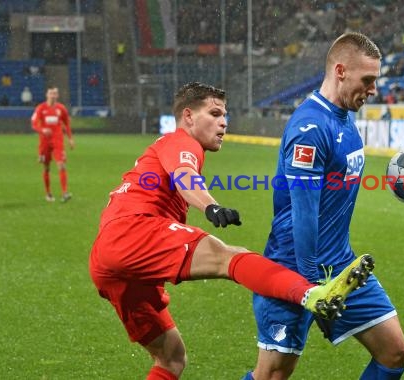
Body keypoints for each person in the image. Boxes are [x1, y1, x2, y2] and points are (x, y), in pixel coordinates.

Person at [88, 82, 375, 380]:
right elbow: (185, 176)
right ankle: (313, 294)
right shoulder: (181, 142)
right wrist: (211, 206)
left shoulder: (164, 146)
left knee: (171, 358)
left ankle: (313, 294)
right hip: (133, 232)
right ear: (188, 116)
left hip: (108, 261)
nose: (224, 122)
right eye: (214, 113)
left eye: (225, 115)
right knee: (229, 257)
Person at [243, 33, 404, 380]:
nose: (373, 89)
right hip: (293, 266)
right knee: (272, 376)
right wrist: (308, 287)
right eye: (368, 80)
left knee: (394, 353)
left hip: (340, 265)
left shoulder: (345, 118)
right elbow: (304, 212)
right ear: (340, 71)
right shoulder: (310, 128)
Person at [31, 86, 74, 202]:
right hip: (44, 143)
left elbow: (67, 124)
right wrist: (42, 130)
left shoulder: (61, 109)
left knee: (61, 165)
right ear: (47, 94)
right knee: (46, 168)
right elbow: (34, 124)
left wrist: (70, 139)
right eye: (51, 93)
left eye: (55, 93)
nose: (53, 96)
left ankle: (65, 193)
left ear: (57, 95)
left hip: (57, 141)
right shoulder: (40, 108)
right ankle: (48, 193)